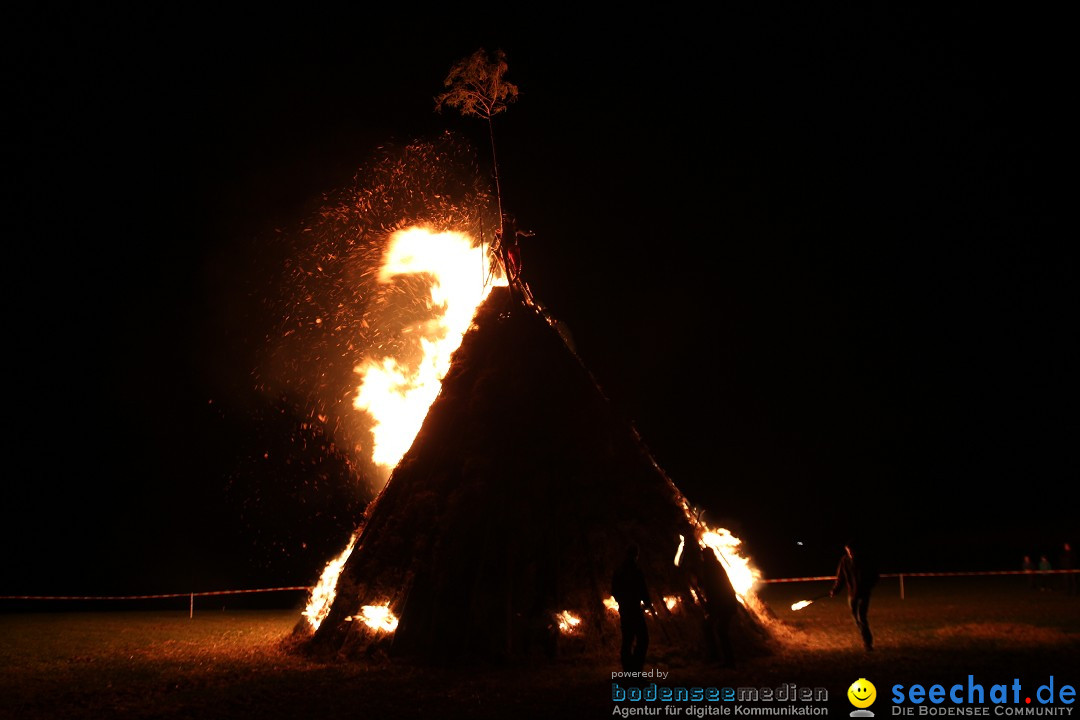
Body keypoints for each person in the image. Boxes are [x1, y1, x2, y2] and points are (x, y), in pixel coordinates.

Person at [611, 544, 656, 672]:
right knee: (643, 639)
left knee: (627, 640)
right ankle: (635, 669)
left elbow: (614, 591)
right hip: (634, 609)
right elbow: (642, 589)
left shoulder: (619, 571)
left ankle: (629, 671)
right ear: (636, 555)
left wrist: (622, 601)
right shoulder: (635, 570)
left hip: (625, 609)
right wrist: (646, 602)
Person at [830, 540, 879, 652]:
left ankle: (868, 643)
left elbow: (874, 576)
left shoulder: (865, 560)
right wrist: (835, 590)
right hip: (852, 595)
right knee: (856, 619)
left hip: (863, 594)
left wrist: (867, 587)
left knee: (861, 617)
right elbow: (840, 578)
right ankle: (865, 638)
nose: (850, 553)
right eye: (848, 551)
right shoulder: (844, 561)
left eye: (852, 551)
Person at [698, 546, 739, 668]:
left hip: (723, 603)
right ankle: (716, 656)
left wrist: (710, 606)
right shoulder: (714, 566)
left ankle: (728, 661)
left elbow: (712, 589)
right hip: (723, 603)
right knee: (710, 627)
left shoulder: (711, 567)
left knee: (720, 630)